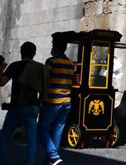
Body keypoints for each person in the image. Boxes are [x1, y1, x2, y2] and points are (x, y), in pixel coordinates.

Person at [0, 41, 47, 165]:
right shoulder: (40, 67)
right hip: (32, 107)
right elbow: (44, 89)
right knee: (31, 139)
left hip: (17, 106)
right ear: (34, 53)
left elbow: (2, 82)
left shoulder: (15, 65)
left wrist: (1, 70)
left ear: (21, 52)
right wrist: (39, 105)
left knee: (5, 135)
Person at [38, 32, 75, 165]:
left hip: (53, 101)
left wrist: (41, 99)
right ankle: (52, 159)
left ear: (57, 47)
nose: (52, 47)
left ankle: (53, 156)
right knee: (58, 129)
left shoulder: (51, 61)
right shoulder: (70, 63)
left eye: (53, 45)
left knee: (42, 128)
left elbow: (45, 81)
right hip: (66, 101)